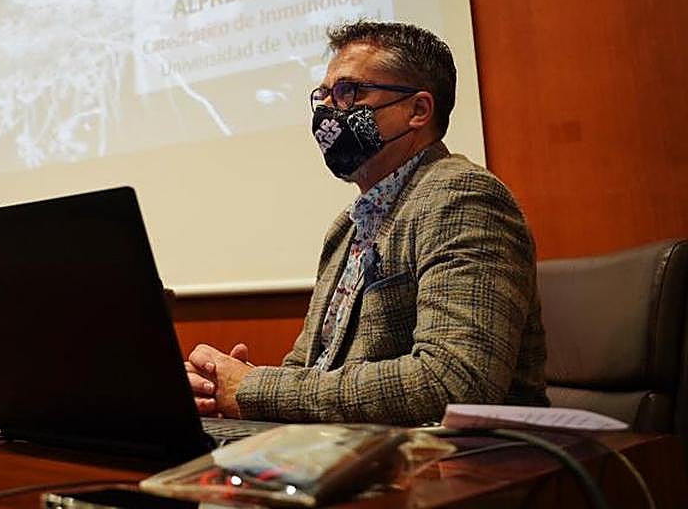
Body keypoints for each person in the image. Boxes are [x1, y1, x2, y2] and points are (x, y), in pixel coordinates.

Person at [187, 21, 547, 425]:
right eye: (323, 95)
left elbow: (454, 380)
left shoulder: (462, 197)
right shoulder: (346, 228)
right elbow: (310, 369)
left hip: (466, 467)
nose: (328, 110)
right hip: (349, 451)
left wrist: (255, 390)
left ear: (418, 110)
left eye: (349, 92)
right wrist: (222, 386)